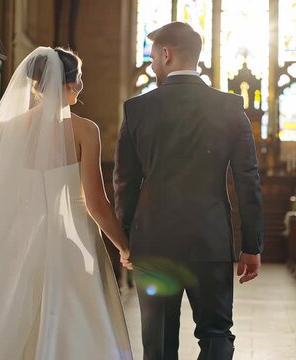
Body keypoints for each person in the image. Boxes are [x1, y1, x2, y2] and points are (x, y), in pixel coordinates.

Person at [0, 46, 133, 359]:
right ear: (66, 83)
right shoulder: (84, 131)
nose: (81, 85)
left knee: (7, 323)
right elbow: (96, 203)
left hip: (18, 243)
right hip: (71, 243)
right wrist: (124, 246)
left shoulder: (6, 129)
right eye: (78, 77)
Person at [114, 22, 264, 360]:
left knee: (159, 343)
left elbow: (125, 182)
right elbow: (247, 178)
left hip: (153, 243)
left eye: (153, 56)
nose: (152, 64)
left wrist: (126, 240)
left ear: (166, 54)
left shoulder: (136, 109)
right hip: (209, 240)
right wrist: (251, 245)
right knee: (216, 334)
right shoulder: (230, 107)